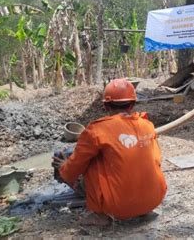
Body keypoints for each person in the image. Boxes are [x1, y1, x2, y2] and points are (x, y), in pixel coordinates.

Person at [52, 78, 167, 225]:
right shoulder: (148, 125)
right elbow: (157, 160)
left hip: (117, 208)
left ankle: (100, 215)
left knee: (91, 162)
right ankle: (144, 210)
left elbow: (72, 171)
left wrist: (63, 166)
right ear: (132, 104)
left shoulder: (96, 130)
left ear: (106, 106)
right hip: (154, 199)